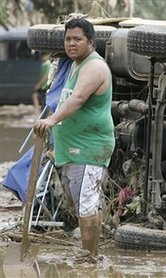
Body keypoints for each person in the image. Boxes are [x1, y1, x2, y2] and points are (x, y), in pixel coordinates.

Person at [34, 18, 115, 258]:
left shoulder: (94, 67)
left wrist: (51, 120)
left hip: (90, 148)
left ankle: (89, 259)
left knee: (86, 205)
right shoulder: (75, 65)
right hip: (73, 148)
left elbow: (77, 99)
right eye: (68, 39)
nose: (71, 44)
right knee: (79, 206)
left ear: (91, 42)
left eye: (77, 39)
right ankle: (89, 254)